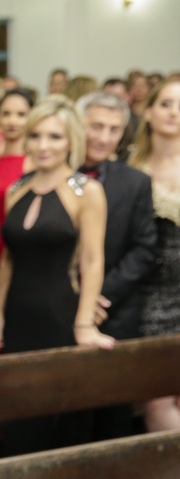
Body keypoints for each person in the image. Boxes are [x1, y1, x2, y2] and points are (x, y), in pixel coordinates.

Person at [0, 98, 113, 454]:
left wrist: (84, 324)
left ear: (71, 141)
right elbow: (8, 259)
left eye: (54, 137)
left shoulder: (87, 191)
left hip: (60, 317)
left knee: (61, 420)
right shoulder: (17, 189)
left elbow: (92, 260)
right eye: (36, 135)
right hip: (18, 318)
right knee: (20, 418)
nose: (43, 145)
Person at [76, 90, 158, 440]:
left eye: (113, 130)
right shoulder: (53, 176)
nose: (103, 137)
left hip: (115, 310)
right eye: (96, 126)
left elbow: (143, 249)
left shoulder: (135, 182)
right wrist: (76, 298)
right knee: (66, 416)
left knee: (113, 420)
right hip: (60, 307)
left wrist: (97, 296)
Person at [130, 80, 180, 431]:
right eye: (165, 104)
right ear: (148, 112)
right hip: (151, 295)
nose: (174, 112)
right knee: (158, 396)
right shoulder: (131, 169)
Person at [0, 88, 36, 268]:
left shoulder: (35, 166)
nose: (12, 121)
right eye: (6, 114)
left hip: (20, 255)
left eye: (21, 115)